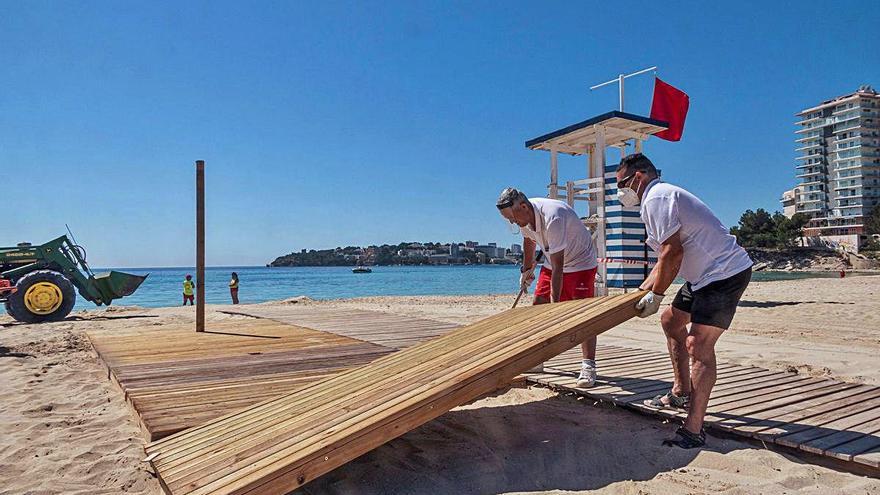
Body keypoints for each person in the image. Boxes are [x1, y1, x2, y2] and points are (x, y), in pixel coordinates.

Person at [615, 153, 753, 449]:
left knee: (698, 344)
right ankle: (681, 391)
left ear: (638, 177)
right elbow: (662, 261)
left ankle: (693, 429)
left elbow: (672, 254)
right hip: (701, 277)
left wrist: (659, 294)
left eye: (621, 184)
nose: (620, 192)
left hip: (724, 273)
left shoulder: (658, 198)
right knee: (670, 320)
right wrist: (642, 293)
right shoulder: (654, 202)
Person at [496, 187, 600, 387]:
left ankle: (589, 366)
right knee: (538, 305)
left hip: (580, 262)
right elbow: (528, 240)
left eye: (511, 217)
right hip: (553, 262)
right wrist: (526, 271)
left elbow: (559, 268)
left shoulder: (553, 217)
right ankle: (537, 359)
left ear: (524, 207)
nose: (511, 222)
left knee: (583, 314)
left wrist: (555, 308)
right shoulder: (523, 218)